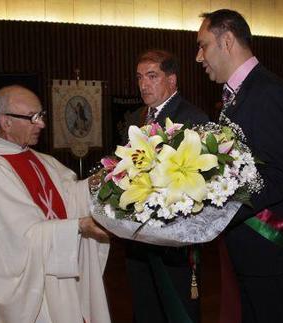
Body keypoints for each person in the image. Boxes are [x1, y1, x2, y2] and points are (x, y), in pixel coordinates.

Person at [0, 85, 111, 323]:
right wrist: (78, 227)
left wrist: (105, 180)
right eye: (33, 118)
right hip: (32, 285)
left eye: (42, 115)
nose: (42, 124)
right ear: (6, 122)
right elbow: (17, 239)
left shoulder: (40, 159)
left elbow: (68, 196)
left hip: (54, 271)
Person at [196, 9, 283, 323]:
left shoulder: (269, 92)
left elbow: (278, 177)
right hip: (248, 249)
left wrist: (217, 208)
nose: (198, 56)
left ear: (227, 40)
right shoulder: (238, 94)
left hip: (270, 253)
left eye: (203, 45)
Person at [126, 49, 208, 323]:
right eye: (139, 77)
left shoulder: (193, 118)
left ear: (172, 80)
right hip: (138, 236)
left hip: (175, 239)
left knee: (176, 309)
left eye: (152, 76)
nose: (143, 84)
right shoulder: (135, 118)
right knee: (145, 307)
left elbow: (203, 179)